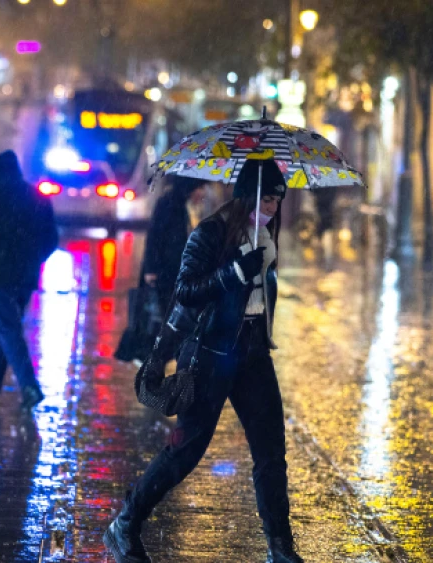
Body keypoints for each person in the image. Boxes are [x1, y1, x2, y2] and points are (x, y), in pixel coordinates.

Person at [104, 160, 304, 563]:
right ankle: (126, 522)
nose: (271, 208)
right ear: (247, 196)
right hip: (212, 355)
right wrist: (233, 272)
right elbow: (187, 290)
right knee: (185, 451)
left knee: (271, 452)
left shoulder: (266, 236)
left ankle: (280, 547)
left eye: (277, 201)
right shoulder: (211, 232)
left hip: (253, 354)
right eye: (266, 199)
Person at [0, 150, 59, 411]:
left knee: (8, 328)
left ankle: (29, 385)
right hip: (26, 274)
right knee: (4, 327)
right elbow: (51, 238)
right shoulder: (36, 196)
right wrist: (34, 258)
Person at [116, 177, 207, 365]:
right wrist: (151, 269)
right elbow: (155, 236)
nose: (203, 193)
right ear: (191, 187)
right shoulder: (168, 203)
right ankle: (149, 356)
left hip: (173, 272)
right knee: (159, 317)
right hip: (163, 273)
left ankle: (155, 357)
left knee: (167, 319)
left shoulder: (184, 206)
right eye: (200, 188)